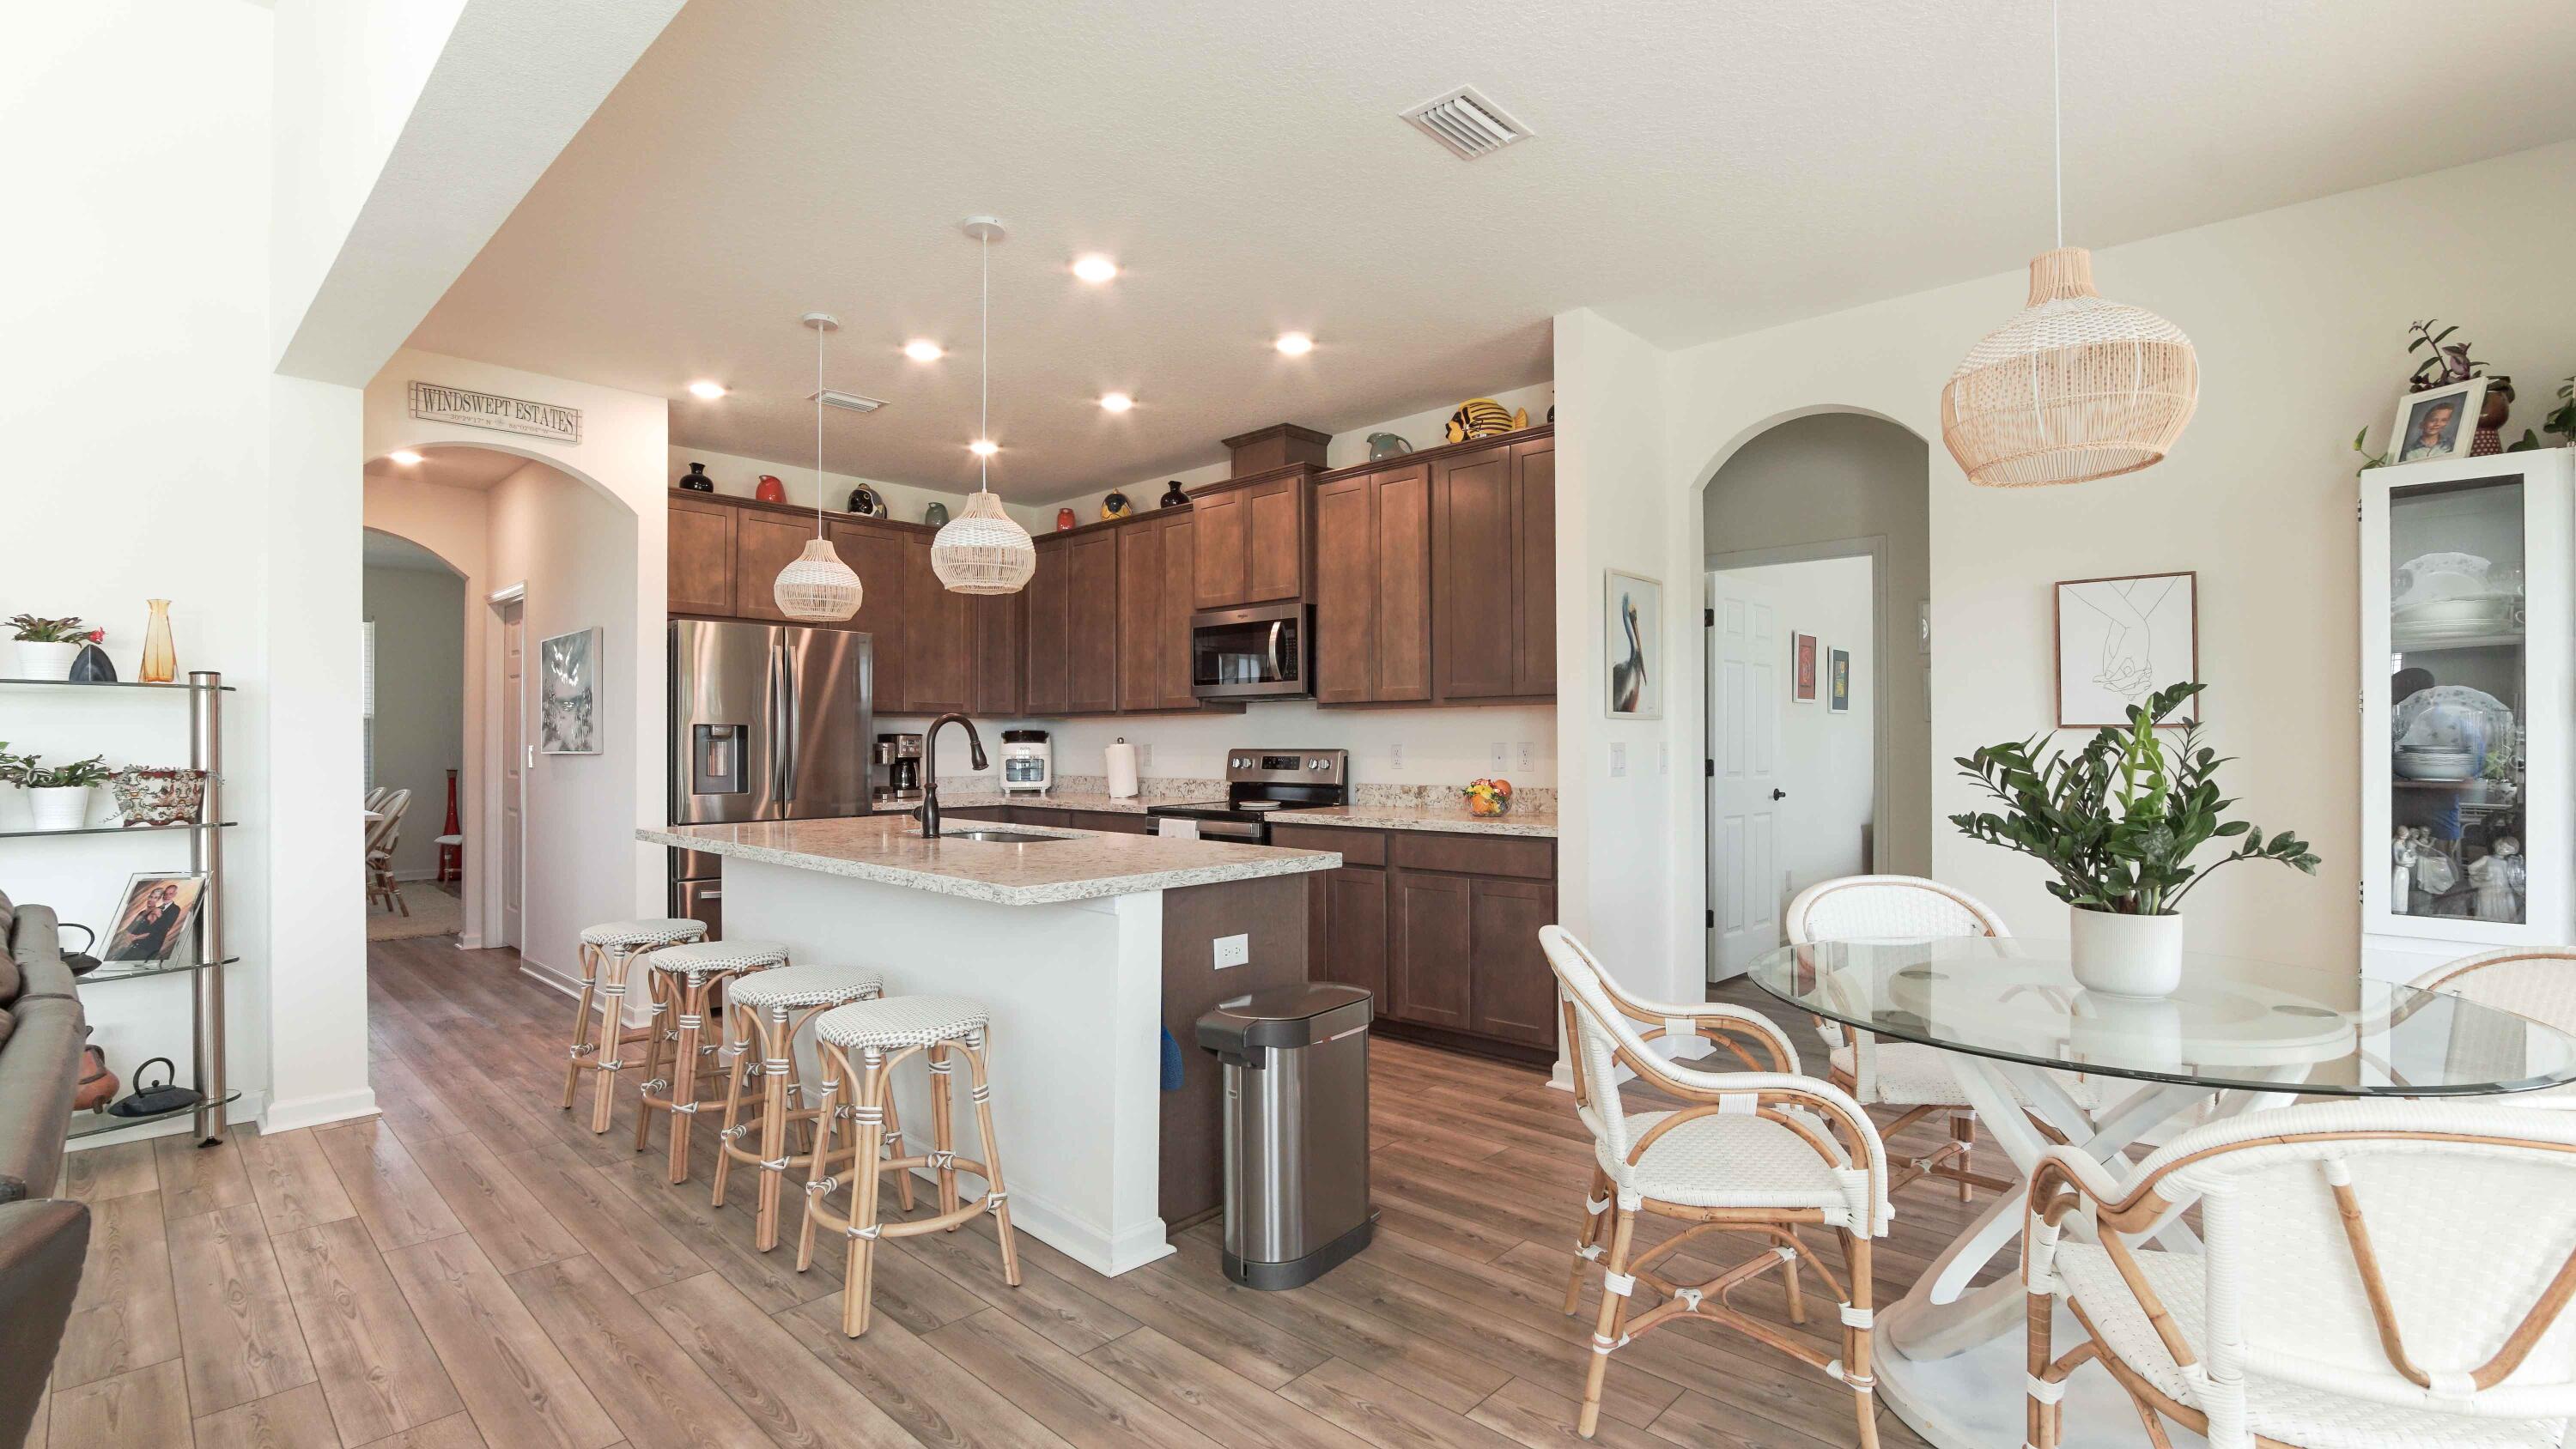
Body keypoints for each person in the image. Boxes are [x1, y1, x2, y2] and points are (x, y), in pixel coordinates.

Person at [107, 882, 190, 961]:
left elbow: (163, 928)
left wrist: (134, 937)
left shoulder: (174, 909)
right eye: (166, 893)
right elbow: (135, 929)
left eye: (170, 894)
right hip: (133, 946)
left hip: (148, 948)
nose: (167, 896)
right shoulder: (153, 910)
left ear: (175, 894)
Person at [2401, 398, 2461, 462]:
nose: (2437, 424)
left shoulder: (2451, 445)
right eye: (2433, 420)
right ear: (2422, 424)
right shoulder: (2408, 451)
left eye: (2443, 420)